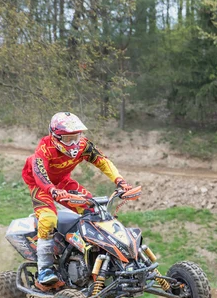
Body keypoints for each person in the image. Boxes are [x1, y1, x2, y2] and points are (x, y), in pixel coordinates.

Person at [22, 111, 134, 288]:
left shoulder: (83, 146)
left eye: (77, 136)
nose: (74, 143)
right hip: (41, 185)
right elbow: (39, 173)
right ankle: (45, 269)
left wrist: (119, 181)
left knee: (95, 210)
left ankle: (91, 256)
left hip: (64, 182)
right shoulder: (44, 148)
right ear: (55, 136)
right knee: (48, 219)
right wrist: (52, 190)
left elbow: (103, 161)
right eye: (68, 139)